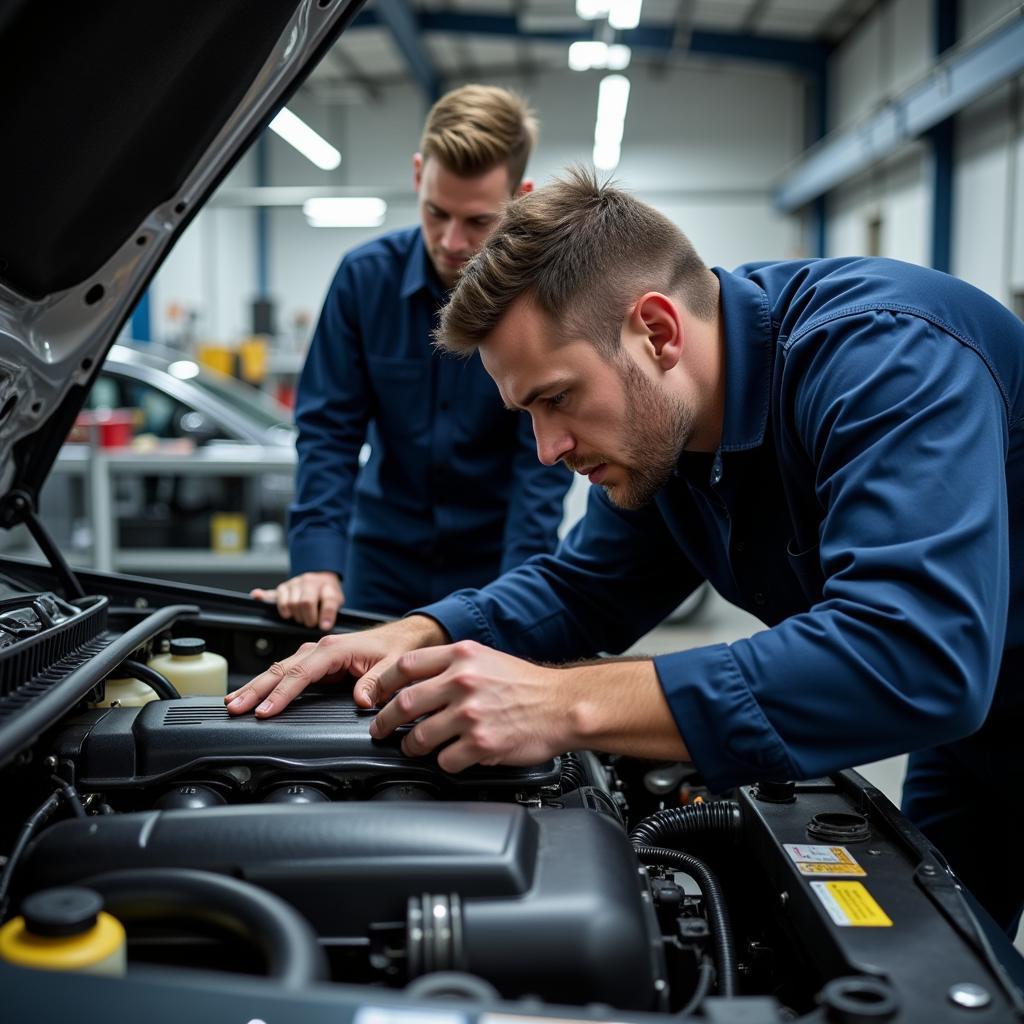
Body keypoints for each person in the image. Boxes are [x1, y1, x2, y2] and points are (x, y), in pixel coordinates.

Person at [230, 169, 1024, 938]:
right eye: (526, 413)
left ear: (658, 331)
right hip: (974, 739)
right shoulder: (669, 435)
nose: (546, 449)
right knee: (945, 964)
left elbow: (914, 653)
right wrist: (421, 632)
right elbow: (586, 588)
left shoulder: (885, 357)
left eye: (557, 397)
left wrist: (563, 703)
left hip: (979, 692)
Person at [251, 85, 570, 625]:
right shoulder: (363, 280)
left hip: (495, 562)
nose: (450, 241)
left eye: (477, 221)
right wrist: (317, 562)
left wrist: (522, 592)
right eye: (436, 212)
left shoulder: (544, 300)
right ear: (418, 173)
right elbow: (329, 430)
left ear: (522, 195)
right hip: (377, 563)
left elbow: (539, 465)